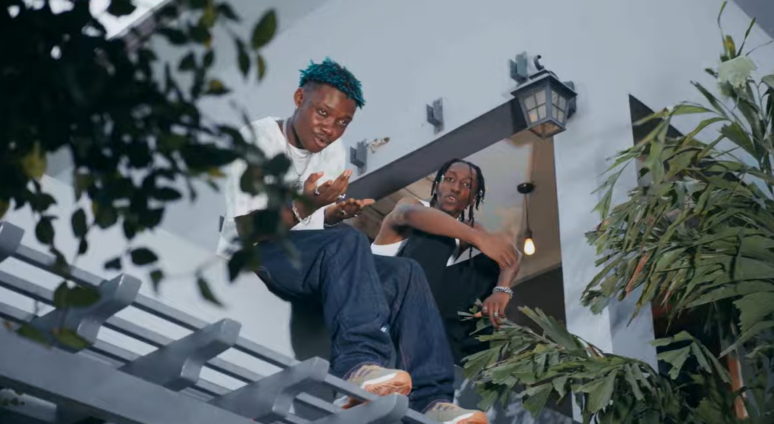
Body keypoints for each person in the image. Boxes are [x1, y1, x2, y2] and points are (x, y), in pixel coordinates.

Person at [216, 58, 503, 423]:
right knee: (348, 241)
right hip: (255, 254)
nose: (330, 129)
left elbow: (311, 229)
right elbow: (246, 230)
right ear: (299, 98)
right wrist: (306, 206)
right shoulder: (259, 140)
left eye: (343, 122)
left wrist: (331, 213)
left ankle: (432, 401)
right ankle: (357, 366)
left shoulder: (331, 152)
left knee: (406, 272)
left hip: (305, 260)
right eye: (322, 113)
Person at [372, 159, 522, 365]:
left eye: (467, 185)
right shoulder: (413, 205)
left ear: (473, 199)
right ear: (437, 185)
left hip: (429, 322)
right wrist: (479, 239)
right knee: (440, 239)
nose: (456, 188)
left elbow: (512, 254)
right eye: (449, 179)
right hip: (383, 307)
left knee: (486, 266)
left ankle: (463, 358)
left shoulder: (469, 228)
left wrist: (502, 290)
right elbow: (408, 214)